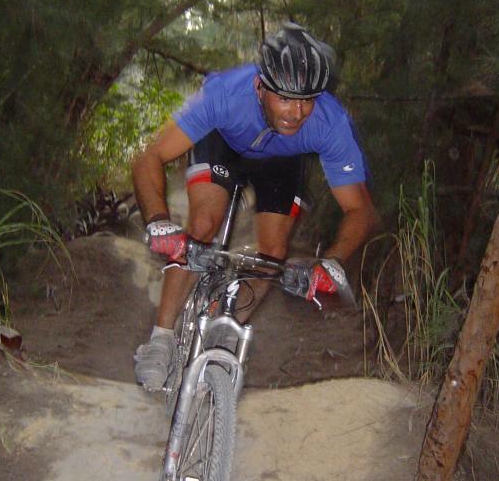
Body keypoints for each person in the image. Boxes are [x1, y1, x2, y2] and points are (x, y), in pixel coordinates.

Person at [132, 22, 377, 392]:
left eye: (307, 99)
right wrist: (159, 221)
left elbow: (360, 209)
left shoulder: (328, 122)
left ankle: (226, 333)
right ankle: (161, 337)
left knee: (274, 252)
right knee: (202, 225)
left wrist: (333, 259)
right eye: (285, 97)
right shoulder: (224, 93)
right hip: (223, 144)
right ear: (260, 86)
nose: (297, 112)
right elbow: (149, 155)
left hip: (281, 159)